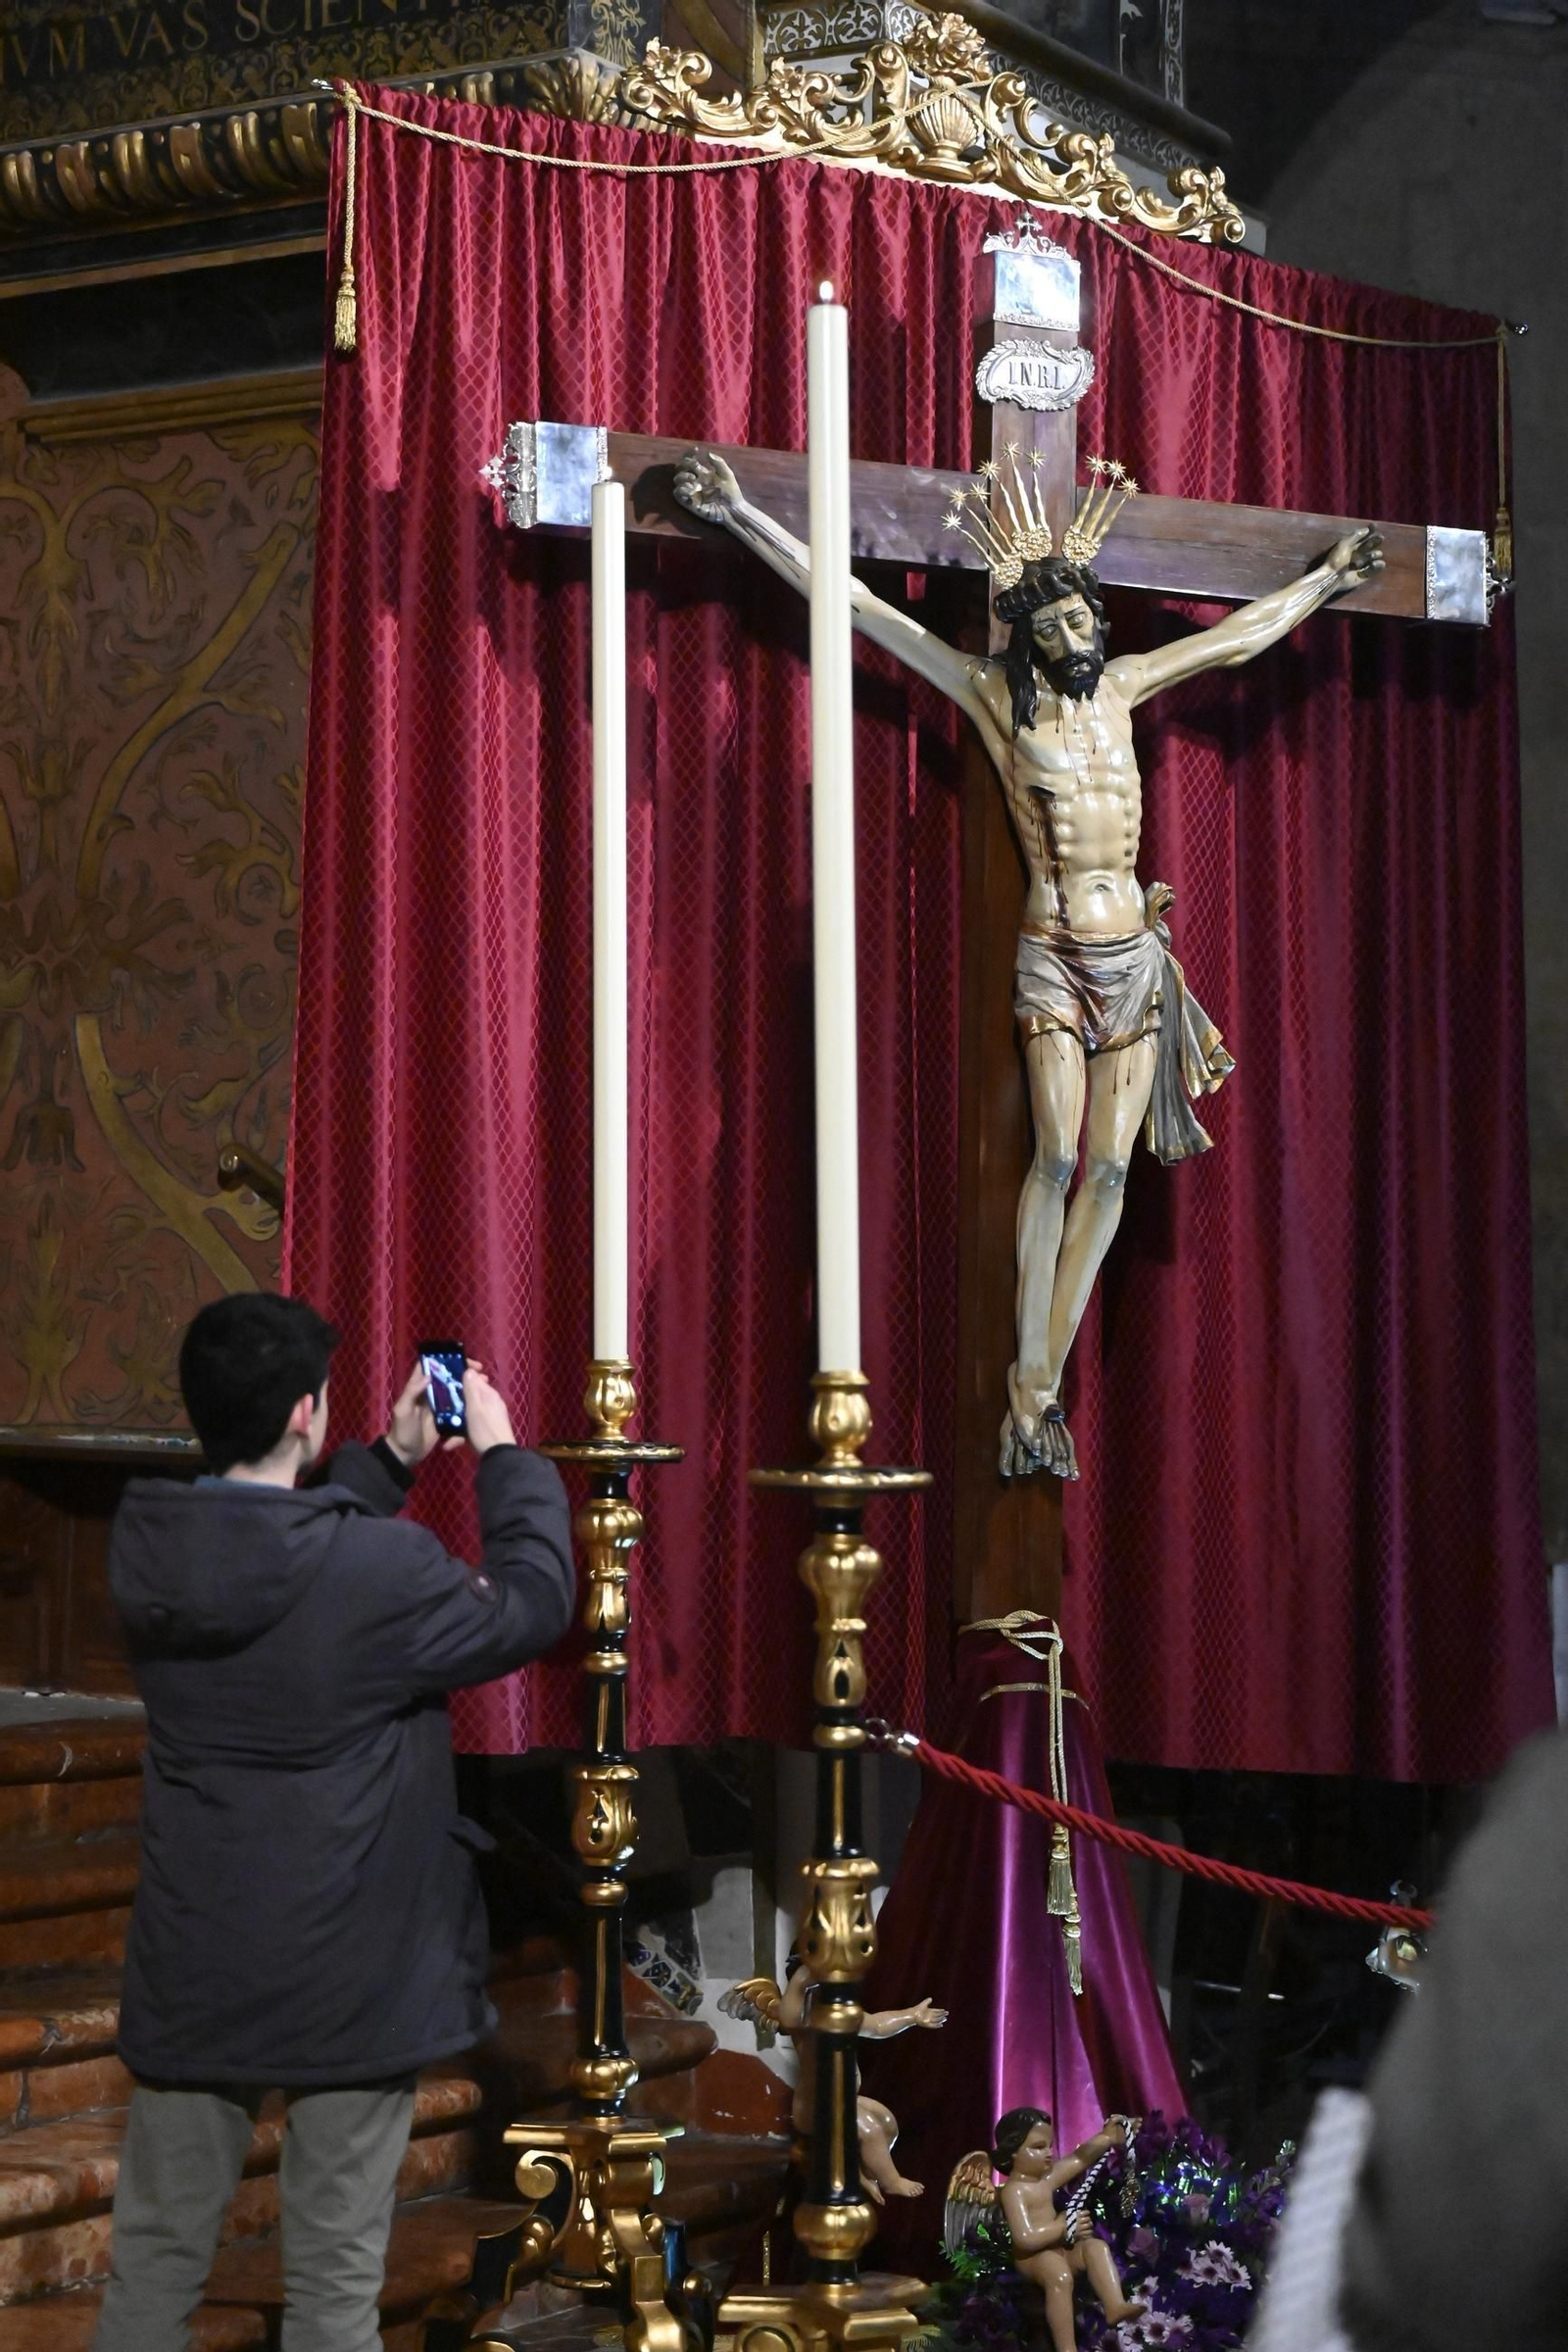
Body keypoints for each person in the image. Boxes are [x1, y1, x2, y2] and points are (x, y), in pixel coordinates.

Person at [673, 446, 1382, 1480]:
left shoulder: (1128, 684)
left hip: (1133, 959)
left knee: (1109, 1170)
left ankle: (1037, 1388)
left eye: (1079, 620)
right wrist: (740, 516)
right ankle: (1028, 1381)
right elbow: (861, 610)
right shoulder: (995, 699)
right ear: (1029, 637)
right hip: (1052, 954)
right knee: (1055, 1156)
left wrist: (1324, 580)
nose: (1070, 636)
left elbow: (1238, 640)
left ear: (1097, 621)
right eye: (1049, 627)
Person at [93, 1294, 574, 2352]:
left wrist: (390, 1463)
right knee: (333, 2290)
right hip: (351, 1967)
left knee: (154, 2270)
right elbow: (534, 1603)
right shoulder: (380, 1572)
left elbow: (271, 1554)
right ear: (308, 1412)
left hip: (197, 1956)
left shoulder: (147, 1547)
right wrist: (499, 1456)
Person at [993, 2106, 1146, 2351]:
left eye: (1049, 2146)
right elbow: (1024, 2238)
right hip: (1032, 2259)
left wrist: (1107, 2137)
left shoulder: (1045, 2180)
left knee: (1095, 2246)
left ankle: (1114, 2305)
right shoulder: (1014, 2191)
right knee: (1059, 2275)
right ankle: (1067, 2348)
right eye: (1038, 2147)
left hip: (1058, 2247)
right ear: (1012, 2152)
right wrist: (1062, 2227)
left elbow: (1079, 2159)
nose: (1048, 2154)